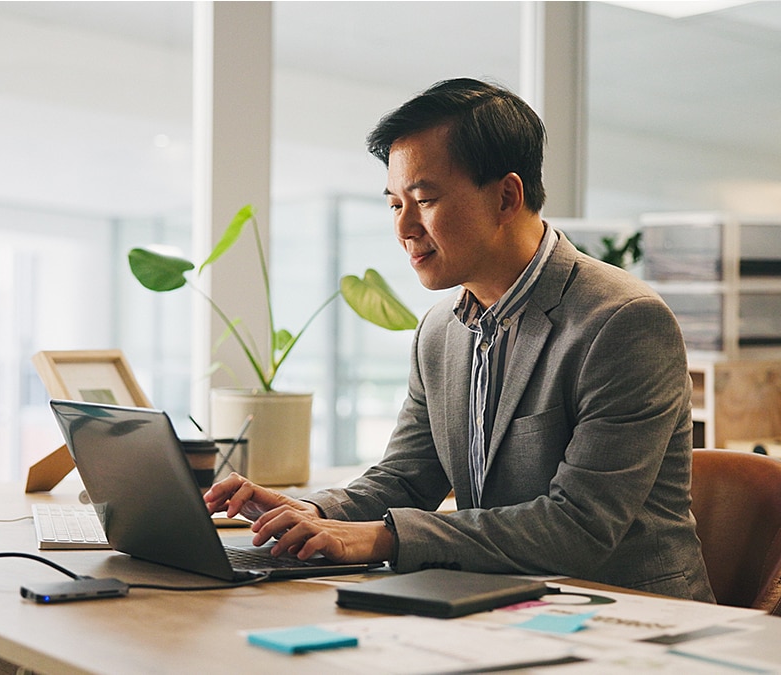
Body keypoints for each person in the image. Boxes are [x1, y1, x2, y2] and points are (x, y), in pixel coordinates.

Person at [204, 77, 715, 602]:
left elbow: (579, 526)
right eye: (394, 204)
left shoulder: (623, 323)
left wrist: (381, 537)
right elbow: (406, 478)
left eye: (423, 199)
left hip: (629, 621)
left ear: (507, 196)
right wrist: (312, 515)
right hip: (499, 605)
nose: (404, 227)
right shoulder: (440, 330)